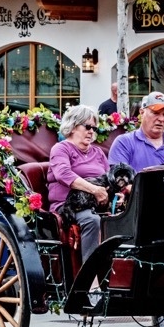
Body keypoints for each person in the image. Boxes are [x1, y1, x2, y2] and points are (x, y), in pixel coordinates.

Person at [47, 104, 113, 262]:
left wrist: (116, 195)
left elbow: (109, 178)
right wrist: (94, 190)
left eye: (94, 128)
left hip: (96, 205)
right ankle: (89, 279)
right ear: (73, 126)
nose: (91, 131)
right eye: (88, 126)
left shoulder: (97, 152)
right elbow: (63, 174)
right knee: (92, 220)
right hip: (70, 205)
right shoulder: (61, 149)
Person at [108, 92, 164, 171]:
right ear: (142, 113)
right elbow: (119, 179)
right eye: (155, 113)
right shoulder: (124, 142)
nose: (161, 119)